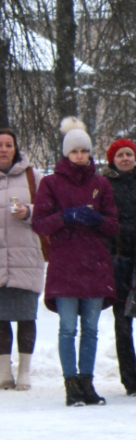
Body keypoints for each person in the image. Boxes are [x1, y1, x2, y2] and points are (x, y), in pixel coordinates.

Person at [32, 117, 120, 406]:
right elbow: (40, 223)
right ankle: (71, 384)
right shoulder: (50, 183)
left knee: (92, 330)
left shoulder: (101, 183)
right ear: (66, 154)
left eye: (84, 151)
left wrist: (97, 220)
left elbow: (113, 224)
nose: (80, 156)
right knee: (68, 328)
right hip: (65, 264)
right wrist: (66, 216)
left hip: (95, 263)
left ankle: (87, 381)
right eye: (74, 151)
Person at [101, 138, 136, 396]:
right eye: (120, 155)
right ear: (113, 159)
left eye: (129, 154)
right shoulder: (105, 186)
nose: (125, 158)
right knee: (122, 322)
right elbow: (105, 222)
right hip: (119, 258)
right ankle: (131, 380)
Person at [0, 129, 45, 392]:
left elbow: (49, 210)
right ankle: (4, 372)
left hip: (25, 256)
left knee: (26, 316)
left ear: (16, 148)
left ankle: (25, 372)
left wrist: (29, 212)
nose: (3, 149)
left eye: (8, 145)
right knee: (0, 319)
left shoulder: (32, 176)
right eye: (0, 145)